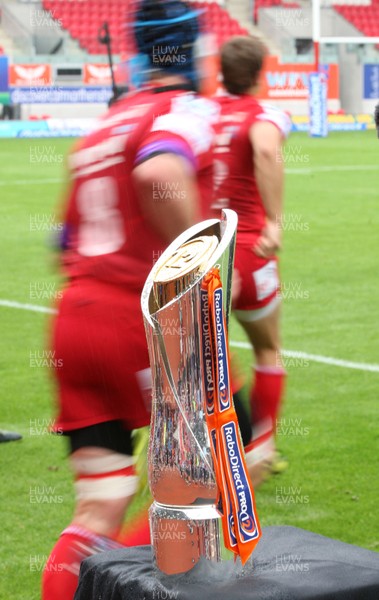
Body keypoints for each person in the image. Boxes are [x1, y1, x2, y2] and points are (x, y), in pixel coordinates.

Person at [42, 2, 219, 598]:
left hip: (75, 317)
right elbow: (157, 174)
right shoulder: (182, 108)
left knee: (101, 502)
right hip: (141, 317)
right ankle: (120, 585)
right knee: (210, 475)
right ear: (191, 47)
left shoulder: (104, 124)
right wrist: (199, 268)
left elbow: (60, 239)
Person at [211, 36, 291, 484]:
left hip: (204, 250)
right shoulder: (263, 116)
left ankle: (220, 448)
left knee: (209, 353)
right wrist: (275, 221)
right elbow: (264, 149)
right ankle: (262, 446)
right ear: (262, 72)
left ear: (220, 72)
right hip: (248, 250)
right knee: (266, 347)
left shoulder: (203, 114)